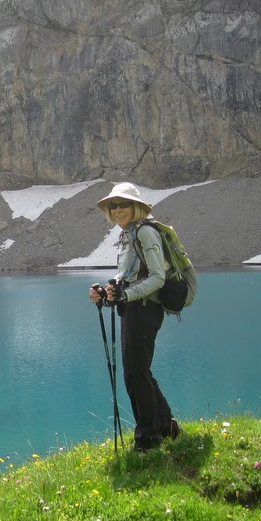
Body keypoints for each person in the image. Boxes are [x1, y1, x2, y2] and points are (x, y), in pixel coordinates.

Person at [88, 182, 180, 452]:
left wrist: (126, 296)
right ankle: (166, 427)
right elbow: (126, 276)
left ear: (136, 207)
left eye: (123, 204)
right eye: (113, 205)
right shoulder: (129, 234)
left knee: (135, 374)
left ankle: (148, 439)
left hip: (145, 310)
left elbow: (157, 278)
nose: (117, 210)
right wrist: (106, 293)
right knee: (139, 373)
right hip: (134, 308)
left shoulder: (146, 233)